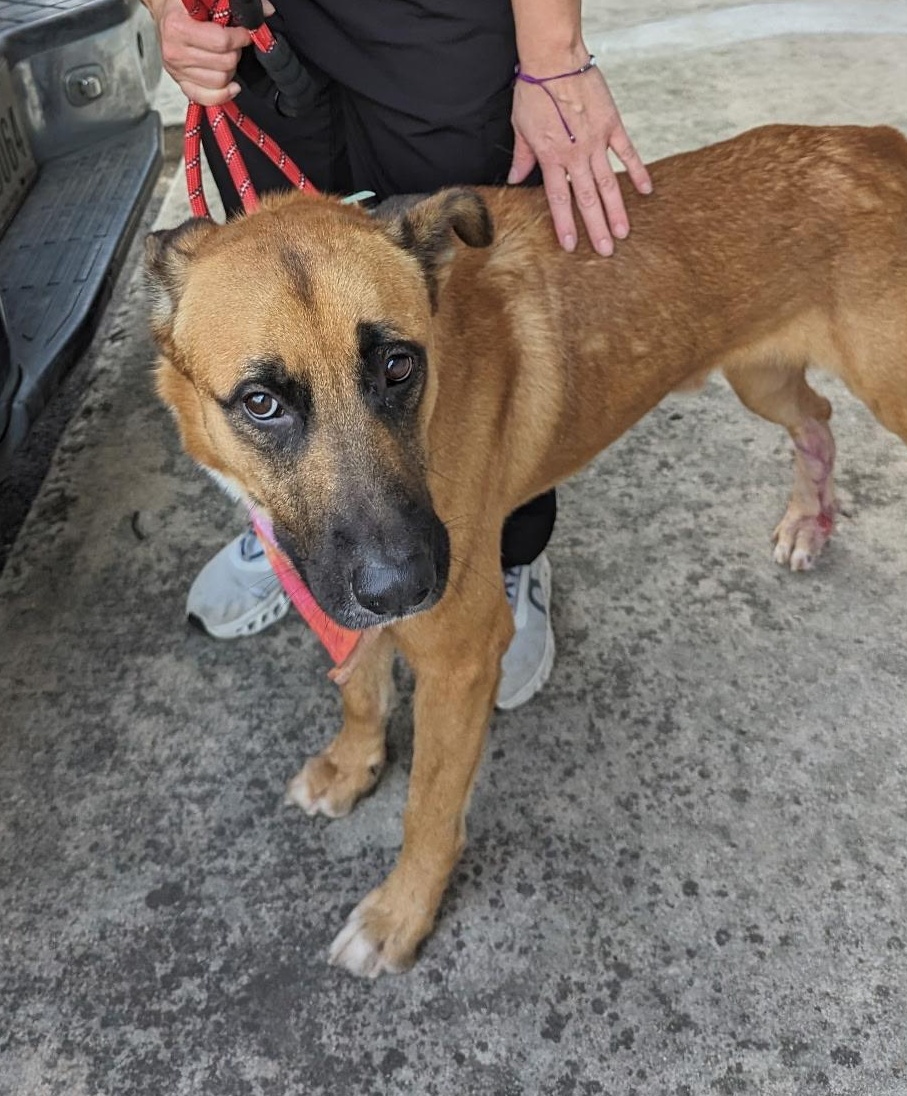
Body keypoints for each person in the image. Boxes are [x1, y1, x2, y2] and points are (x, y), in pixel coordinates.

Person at [144, 0, 651, 707]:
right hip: (252, 31)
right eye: (263, 403)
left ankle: (507, 547)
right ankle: (281, 523)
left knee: (471, 334)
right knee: (275, 310)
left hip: (436, 26)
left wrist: (552, 52)